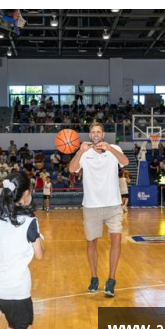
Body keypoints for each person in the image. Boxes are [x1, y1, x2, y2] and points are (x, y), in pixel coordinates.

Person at [69, 123, 129, 297]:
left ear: (103, 134)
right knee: (91, 242)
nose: (95, 134)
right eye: (93, 132)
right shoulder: (84, 151)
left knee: (116, 240)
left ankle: (111, 280)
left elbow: (124, 162)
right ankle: (94, 277)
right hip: (91, 205)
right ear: (89, 134)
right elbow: (72, 169)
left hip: (113, 204)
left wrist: (110, 148)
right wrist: (80, 152)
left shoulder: (113, 148)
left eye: (98, 132)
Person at [0, 173, 45, 329]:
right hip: (15, 290)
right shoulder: (29, 221)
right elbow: (39, 255)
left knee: (12, 323)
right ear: (26, 194)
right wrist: (38, 237)